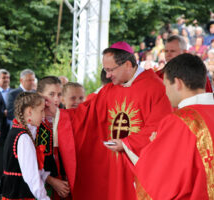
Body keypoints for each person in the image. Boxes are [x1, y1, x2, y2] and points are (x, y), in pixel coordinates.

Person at [47, 42, 172, 200]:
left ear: (127, 64)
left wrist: (126, 144)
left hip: (136, 171)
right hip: (111, 169)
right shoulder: (109, 90)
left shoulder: (155, 88)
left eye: (110, 70)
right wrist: (58, 114)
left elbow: (160, 128)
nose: (106, 76)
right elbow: (84, 115)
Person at [133, 53, 214, 199]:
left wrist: (154, 147)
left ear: (177, 83)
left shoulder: (179, 122)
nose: (165, 92)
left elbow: (159, 181)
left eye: (165, 85)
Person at [1, 92, 50, 200]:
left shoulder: (16, 130)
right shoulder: (24, 138)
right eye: (41, 111)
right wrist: (44, 198)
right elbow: (32, 177)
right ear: (29, 111)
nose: (43, 116)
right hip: (20, 195)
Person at [36, 76, 70, 199]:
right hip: (43, 185)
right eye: (51, 94)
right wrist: (52, 181)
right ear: (40, 95)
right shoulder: (35, 123)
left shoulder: (65, 118)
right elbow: (31, 162)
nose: (56, 99)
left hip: (65, 183)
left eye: (59, 94)